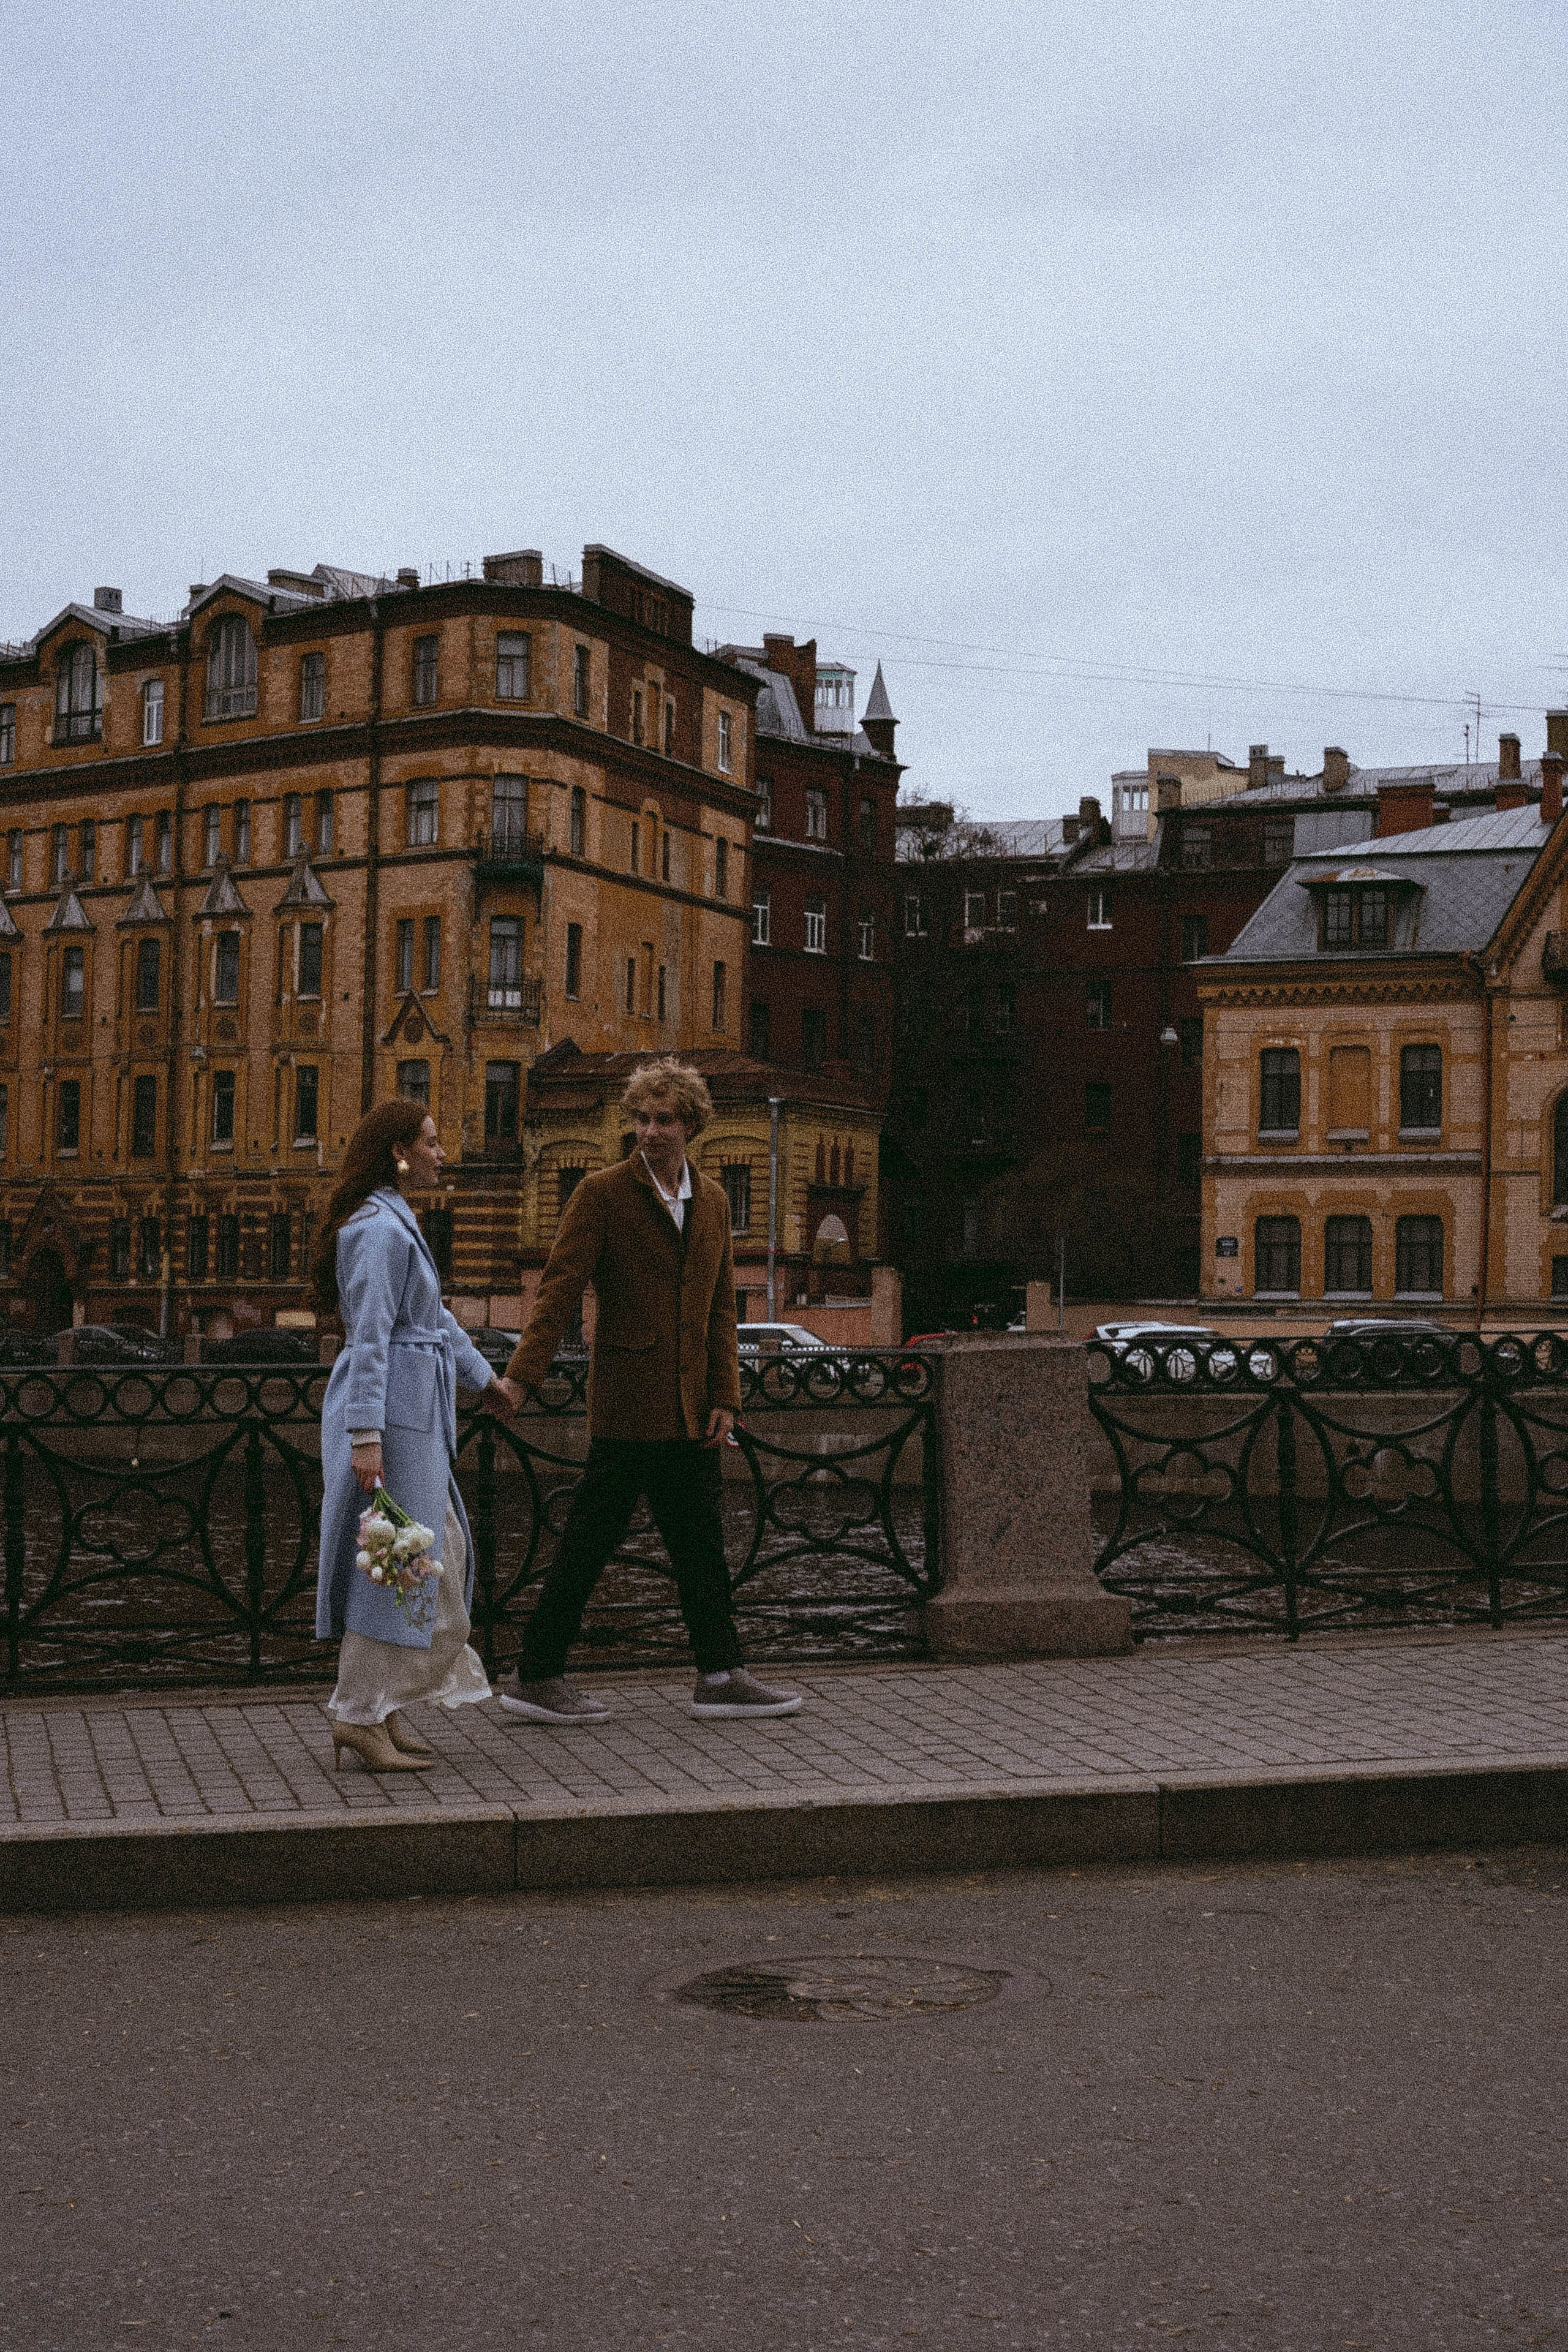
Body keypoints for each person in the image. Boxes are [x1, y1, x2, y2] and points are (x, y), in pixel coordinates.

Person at [500, 1055, 801, 1724]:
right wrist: (521, 1379)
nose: (649, 1131)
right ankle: (536, 1675)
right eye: (640, 1118)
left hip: (693, 1410)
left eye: (663, 1119)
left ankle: (720, 1675)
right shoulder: (602, 1193)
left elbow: (720, 1309)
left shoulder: (713, 1200)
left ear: (691, 1124)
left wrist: (726, 1397)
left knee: (700, 1548)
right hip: (629, 1407)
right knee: (587, 1546)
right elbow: (558, 1291)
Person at [312, 1099, 522, 1771]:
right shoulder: (378, 1230)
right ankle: (357, 1715)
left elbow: (435, 1321)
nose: (441, 1153)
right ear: (399, 1153)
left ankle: (383, 1706)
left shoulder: (395, 1220)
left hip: (412, 1418)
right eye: (431, 1142)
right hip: (394, 1424)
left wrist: (484, 1380)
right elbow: (370, 1339)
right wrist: (365, 1435)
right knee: (399, 1565)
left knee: (427, 1560)